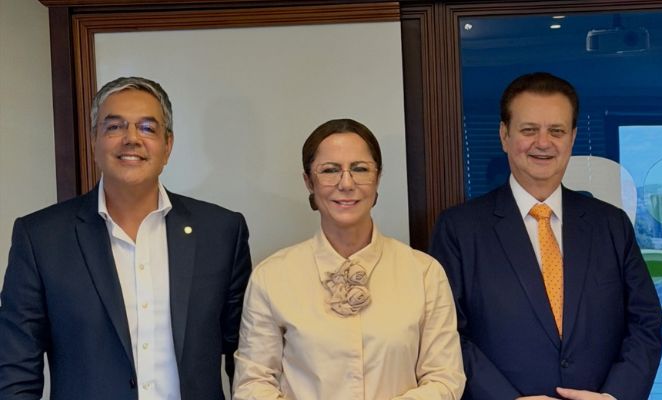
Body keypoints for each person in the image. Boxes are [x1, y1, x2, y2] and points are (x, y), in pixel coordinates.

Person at [0, 76, 252, 399]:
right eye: (115, 127)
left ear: (168, 146)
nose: (131, 139)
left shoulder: (220, 232)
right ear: (94, 141)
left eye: (147, 128)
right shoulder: (41, 239)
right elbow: (15, 371)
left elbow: (247, 359)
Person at [429, 72, 662, 400]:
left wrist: (614, 396)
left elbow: (645, 323)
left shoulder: (611, 225)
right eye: (529, 130)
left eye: (556, 131)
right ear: (504, 136)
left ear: (572, 137)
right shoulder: (459, 229)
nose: (543, 142)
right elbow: (446, 333)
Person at [233, 118, 465, 399]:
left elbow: (445, 379)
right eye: (330, 170)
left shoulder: (424, 273)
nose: (346, 183)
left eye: (360, 169)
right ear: (308, 181)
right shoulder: (272, 276)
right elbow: (252, 383)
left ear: (378, 177)